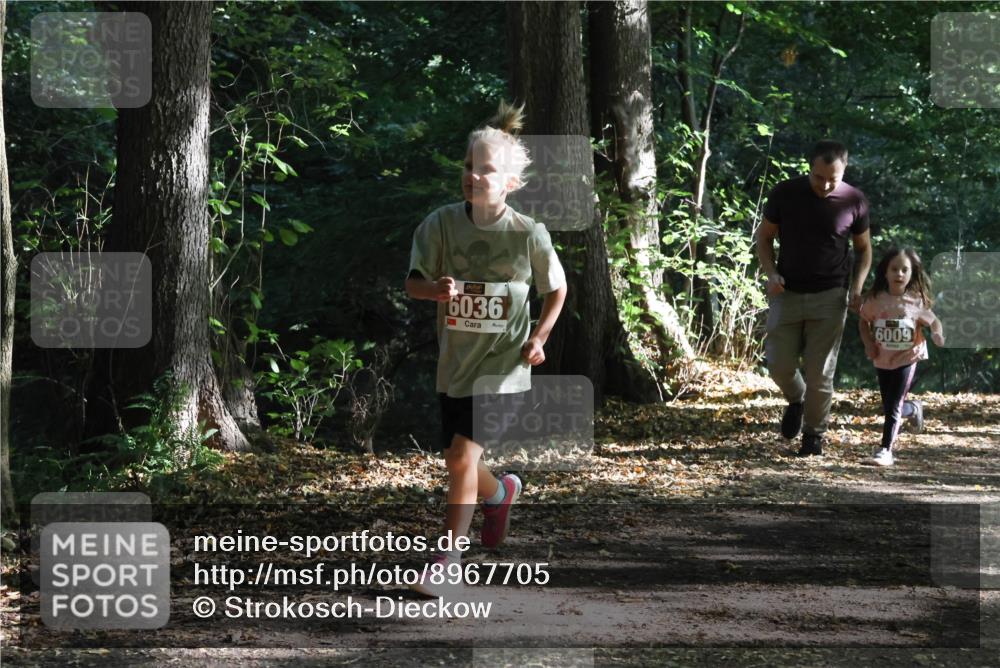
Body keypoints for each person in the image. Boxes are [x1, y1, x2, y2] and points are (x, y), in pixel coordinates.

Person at [404, 101, 567, 596]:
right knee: (463, 462)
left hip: (504, 365)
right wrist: (434, 291)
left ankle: (448, 560)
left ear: (511, 183)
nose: (474, 175)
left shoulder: (528, 234)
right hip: (456, 363)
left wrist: (538, 337)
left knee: (459, 457)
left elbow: (557, 289)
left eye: (487, 170)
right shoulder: (440, 225)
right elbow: (413, 283)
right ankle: (500, 493)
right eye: (469, 166)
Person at [756, 140, 873, 456]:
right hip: (787, 292)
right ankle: (797, 398)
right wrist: (771, 273)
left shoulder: (854, 200)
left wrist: (857, 288)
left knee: (820, 371)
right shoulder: (785, 194)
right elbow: (764, 238)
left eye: (832, 178)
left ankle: (813, 437)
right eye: (818, 177)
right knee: (778, 364)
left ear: (844, 170)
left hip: (831, 295)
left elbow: (864, 250)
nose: (825, 185)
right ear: (810, 168)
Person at [858, 248, 944, 466]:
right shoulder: (875, 300)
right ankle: (913, 409)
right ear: (885, 272)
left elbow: (934, 321)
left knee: (893, 405)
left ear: (911, 274)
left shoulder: (915, 301)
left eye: (904, 270)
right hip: (882, 358)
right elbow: (863, 321)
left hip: (907, 357)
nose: (899, 274)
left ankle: (885, 450)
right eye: (894, 269)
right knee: (890, 405)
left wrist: (937, 334)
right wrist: (868, 344)